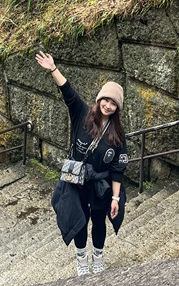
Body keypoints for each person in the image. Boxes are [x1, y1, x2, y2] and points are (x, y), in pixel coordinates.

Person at [35, 50, 128, 276]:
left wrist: (115, 198)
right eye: (105, 100)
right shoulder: (82, 114)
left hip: (99, 186)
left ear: (117, 108)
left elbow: (117, 169)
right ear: (99, 99)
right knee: (78, 220)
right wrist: (53, 69)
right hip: (77, 182)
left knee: (98, 222)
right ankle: (81, 261)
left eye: (113, 103)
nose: (108, 105)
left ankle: (97, 257)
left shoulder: (117, 134)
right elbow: (68, 91)